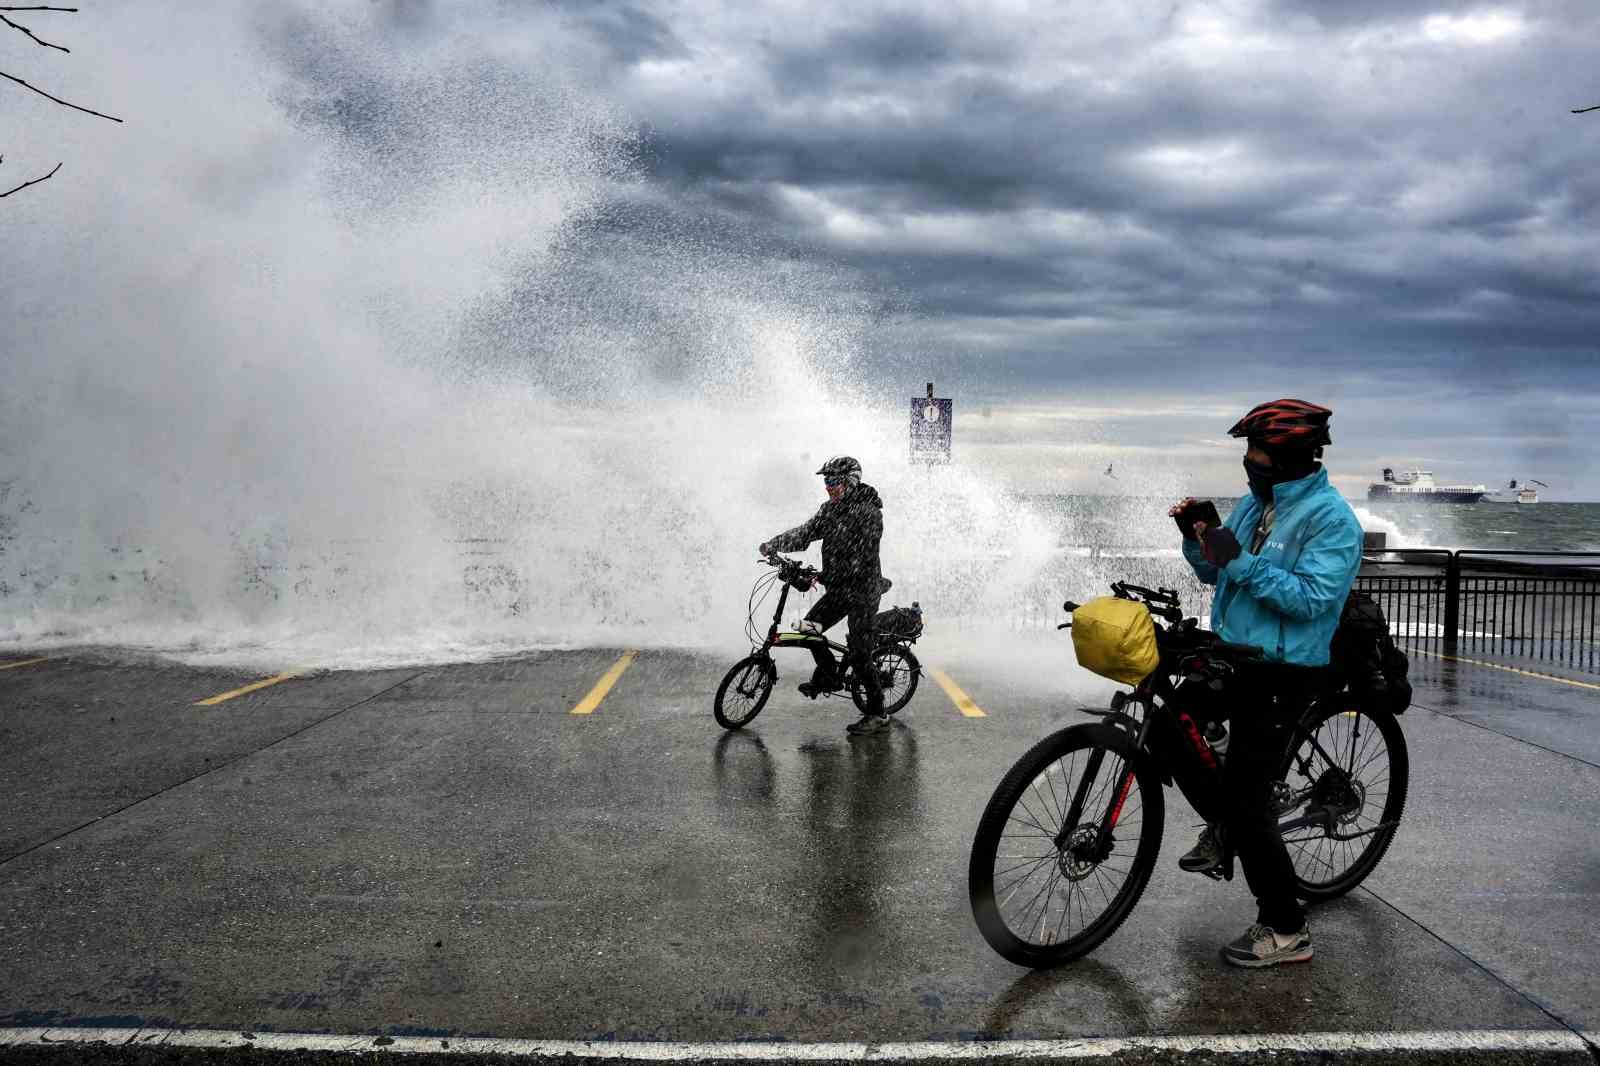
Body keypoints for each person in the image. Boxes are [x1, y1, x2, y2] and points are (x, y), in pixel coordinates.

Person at [1168, 398, 1362, 968]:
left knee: (1249, 800)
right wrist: (1197, 537)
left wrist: (1237, 560)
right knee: (1170, 724)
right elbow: (1216, 571)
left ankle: (1286, 928)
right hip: (1236, 655)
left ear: (1288, 456)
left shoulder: (1332, 519)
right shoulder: (1257, 506)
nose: (1248, 461)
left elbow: (1311, 599)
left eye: (1256, 451)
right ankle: (1226, 825)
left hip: (1286, 670)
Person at [759, 456, 892, 736]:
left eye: (833, 481)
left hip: (863, 591)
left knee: (859, 654)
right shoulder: (830, 510)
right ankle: (829, 675)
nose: (828, 487)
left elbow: (862, 557)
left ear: (850, 482)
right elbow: (805, 533)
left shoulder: (869, 513)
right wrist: (774, 544)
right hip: (840, 589)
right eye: (826, 481)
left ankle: (878, 713)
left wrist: (823, 576)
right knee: (808, 630)